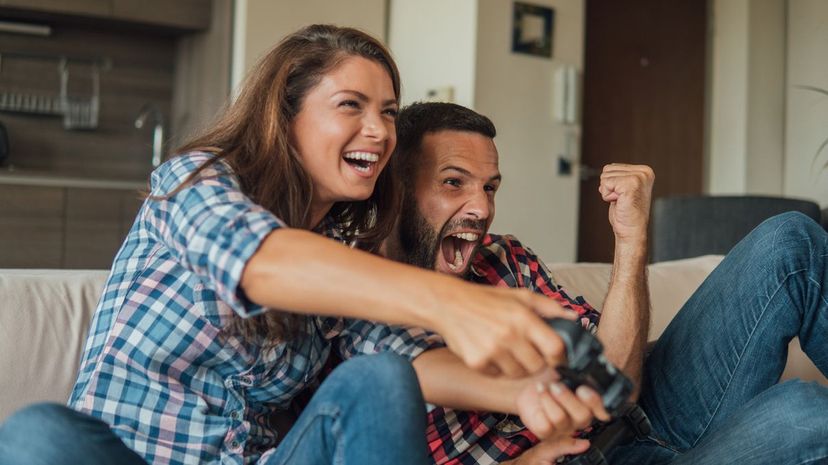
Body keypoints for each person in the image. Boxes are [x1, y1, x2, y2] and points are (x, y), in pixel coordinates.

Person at [0, 26, 587, 465]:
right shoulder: (196, 181)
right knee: (40, 435)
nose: (381, 132)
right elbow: (257, 259)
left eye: (387, 112)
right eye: (351, 106)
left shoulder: (339, 254)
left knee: (379, 378)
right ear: (285, 116)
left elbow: (407, 361)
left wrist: (527, 392)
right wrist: (453, 302)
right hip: (128, 456)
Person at [358, 101, 828, 465]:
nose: (482, 208)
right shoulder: (358, 314)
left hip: (640, 413)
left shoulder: (503, 259)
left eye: (490, 187)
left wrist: (630, 239)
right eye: (454, 183)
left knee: (790, 241)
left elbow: (617, 382)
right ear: (398, 190)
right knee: (807, 412)